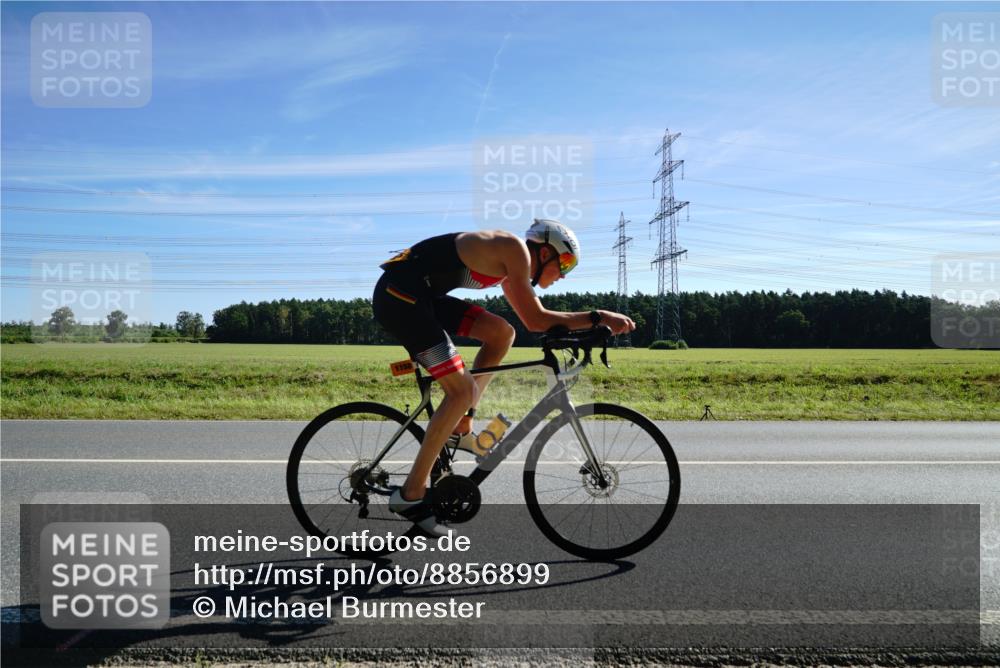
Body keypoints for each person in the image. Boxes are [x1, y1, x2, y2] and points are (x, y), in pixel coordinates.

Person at [371, 219, 636, 534]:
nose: (563, 275)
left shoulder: (512, 270)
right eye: (564, 263)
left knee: (501, 333)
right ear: (546, 251)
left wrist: (588, 327)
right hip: (401, 298)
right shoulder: (513, 249)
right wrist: (599, 317)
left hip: (421, 296)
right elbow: (538, 320)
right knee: (460, 391)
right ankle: (411, 494)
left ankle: (461, 425)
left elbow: (532, 321)